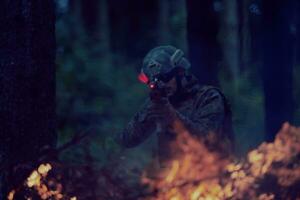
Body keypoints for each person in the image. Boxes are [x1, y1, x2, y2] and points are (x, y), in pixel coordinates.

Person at [117, 45, 234, 164]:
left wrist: (172, 117)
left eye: (166, 78)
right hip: (174, 177)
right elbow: (127, 141)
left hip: (213, 173)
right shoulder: (158, 102)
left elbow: (206, 139)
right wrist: (147, 115)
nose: (162, 85)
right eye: (154, 82)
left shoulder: (208, 97)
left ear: (180, 73)